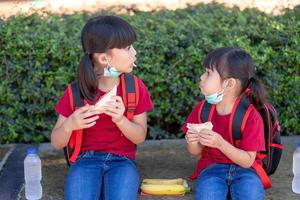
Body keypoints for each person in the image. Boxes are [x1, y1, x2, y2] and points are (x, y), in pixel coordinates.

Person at [51, 15, 153, 200]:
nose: (135, 52)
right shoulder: (76, 91)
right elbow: (56, 142)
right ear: (105, 58)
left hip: (123, 162)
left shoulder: (135, 88)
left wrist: (121, 120)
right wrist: (70, 125)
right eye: (128, 48)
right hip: (85, 161)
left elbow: (140, 137)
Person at [182, 47, 266, 200]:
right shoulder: (202, 110)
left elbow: (248, 160)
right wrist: (192, 141)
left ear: (228, 84)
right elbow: (195, 152)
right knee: (207, 195)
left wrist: (220, 144)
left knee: (251, 194)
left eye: (208, 73)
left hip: (246, 171)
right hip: (212, 168)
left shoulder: (251, 116)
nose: (201, 77)